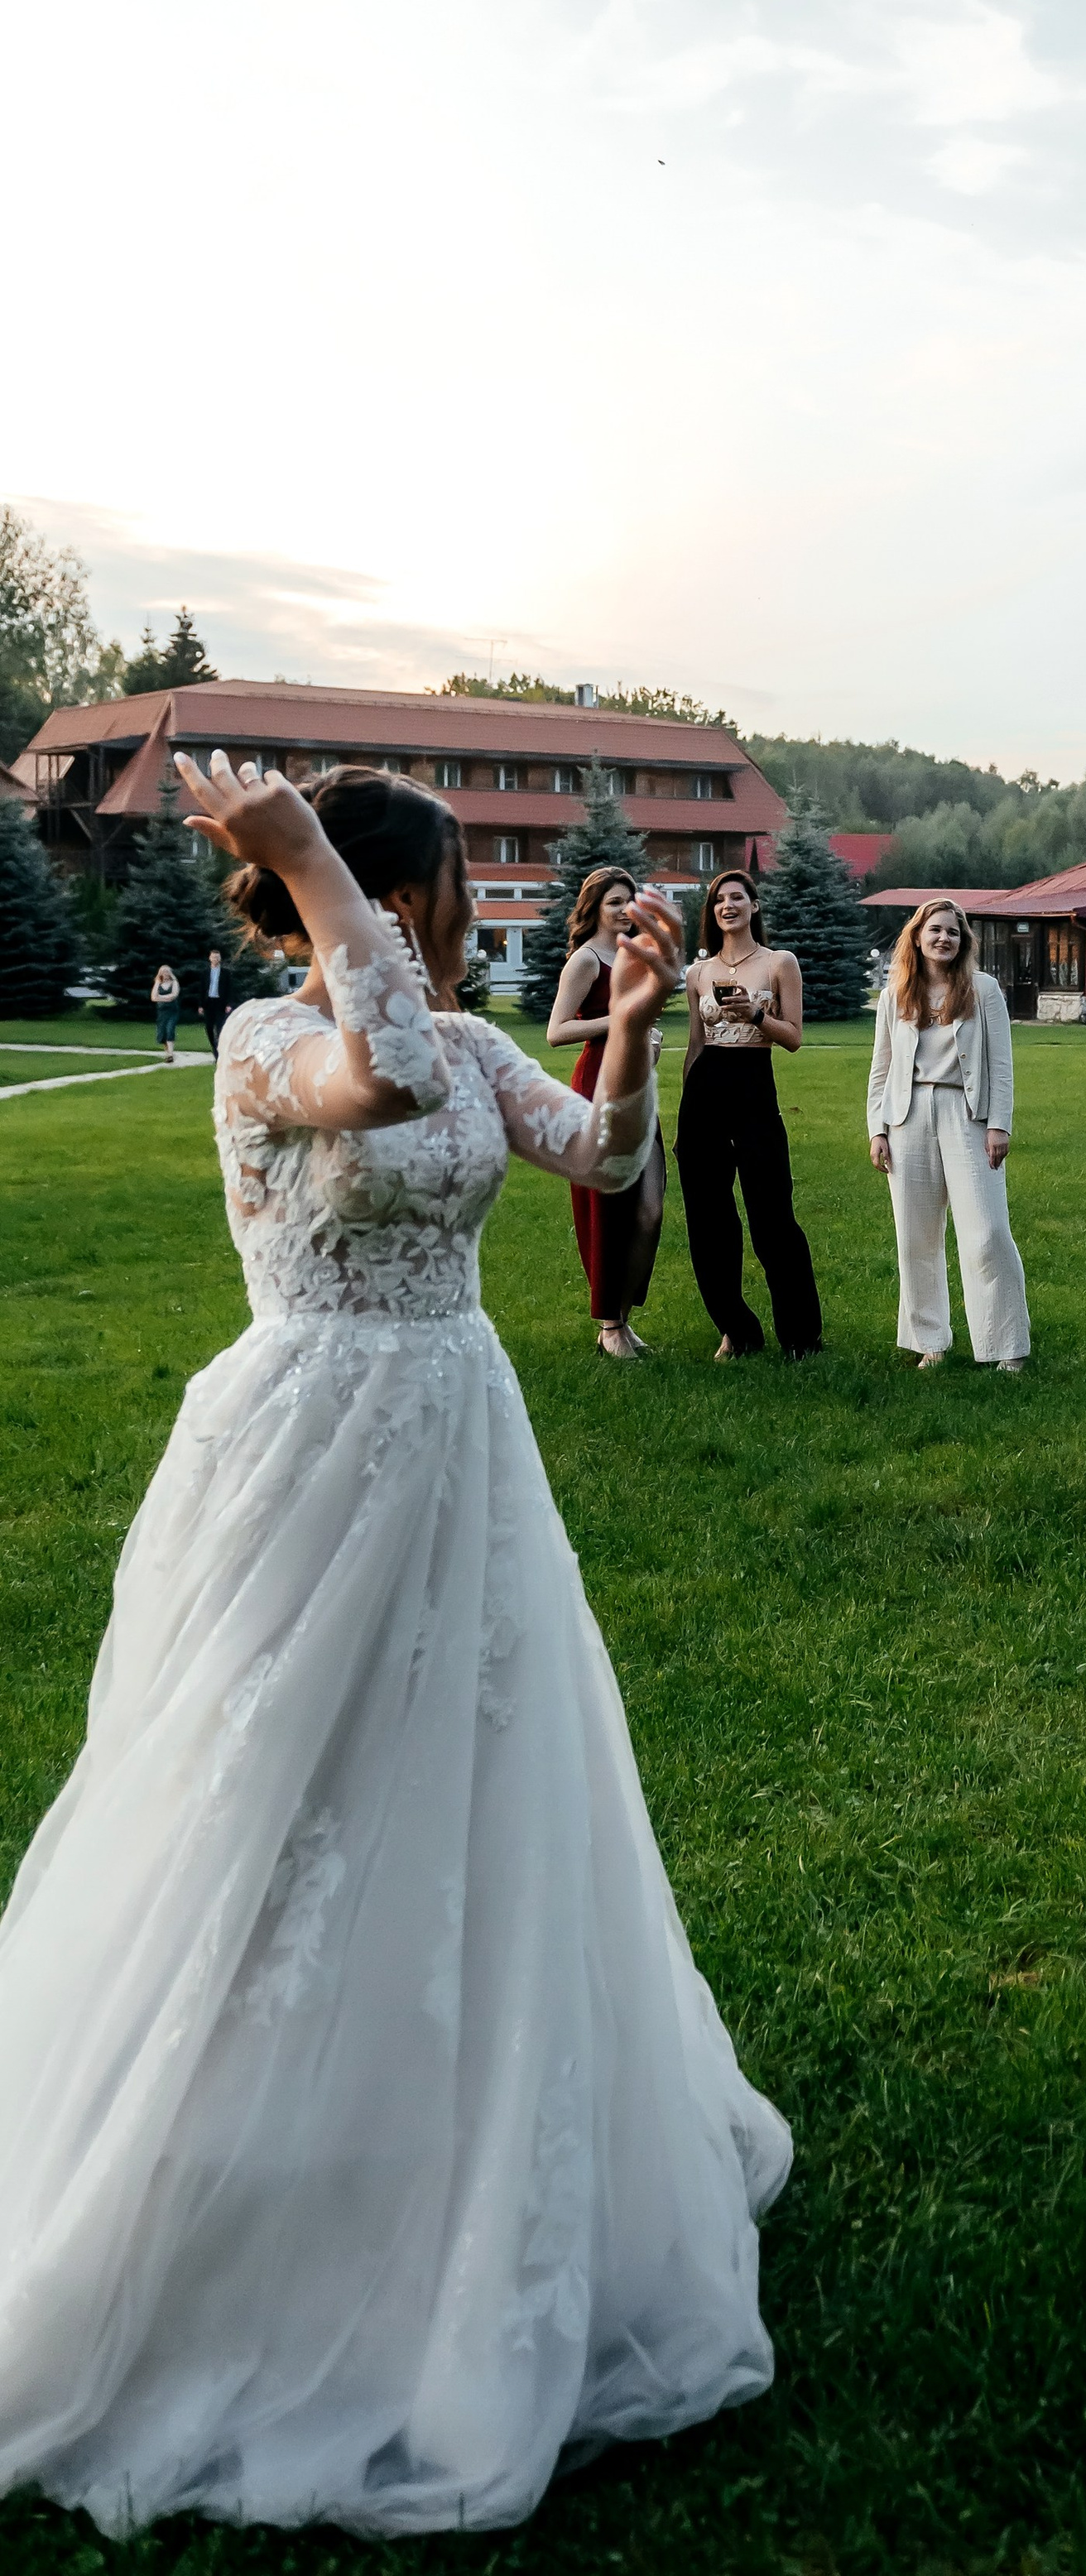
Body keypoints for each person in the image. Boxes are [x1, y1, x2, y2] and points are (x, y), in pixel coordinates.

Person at [0, 754, 787, 2539]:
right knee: (269, 1789)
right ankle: (225, 2170)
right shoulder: (270, 1045)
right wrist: (303, 861)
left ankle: (450, 2131)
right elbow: (398, 1075)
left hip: (457, 1440)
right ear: (375, 896)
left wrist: (639, 1027)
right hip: (304, 1442)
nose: (455, 923)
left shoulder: (451, 1026)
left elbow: (602, 1155)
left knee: (468, 1784)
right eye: (435, 892)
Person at [867, 900, 1030, 1370]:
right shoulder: (895, 994)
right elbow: (881, 1069)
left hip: (968, 1114)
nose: (944, 939)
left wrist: (999, 1124)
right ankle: (930, 1341)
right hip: (907, 1116)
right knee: (915, 1236)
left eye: (954, 933)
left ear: (963, 942)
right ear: (917, 937)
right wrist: (877, 1129)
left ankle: (1006, 1346)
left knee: (988, 1229)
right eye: (935, 931)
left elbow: (1001, 1064)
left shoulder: (983, 990)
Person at [675, 868, 822, 1362]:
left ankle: (801, 1337)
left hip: (754, 1086)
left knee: (772, 1215)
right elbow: (696, 1043)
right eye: (719, 899)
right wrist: (684, 1111)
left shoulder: (779, 963)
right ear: (712, 912)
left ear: (754, 907)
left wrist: (754, 1015)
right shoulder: (698, 973)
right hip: (705, 1090)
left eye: (738, 897)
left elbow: (796, 1039)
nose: (728, 905)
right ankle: (735, 1330)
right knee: (708, 1216)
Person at [548, 865, 669, 1358]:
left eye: (629, 901)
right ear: (595, 907)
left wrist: (643, 1036)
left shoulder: (633, 956)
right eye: (614, 901)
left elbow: (634, 1023)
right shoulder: (585, 960)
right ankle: (609, 1324)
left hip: (637, 1085)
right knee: (606, 1211)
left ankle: (621, 1316)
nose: (624, 910)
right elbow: (556, 1031)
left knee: (649, 1209)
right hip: (595, 1087)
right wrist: (618, 1023)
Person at [200, 946, 228, 1056]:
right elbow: (202, 989)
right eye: (213, 957)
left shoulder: (225, 973)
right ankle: (214, 1046)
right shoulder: (205, 973)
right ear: (210, 958)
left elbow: (229, 989)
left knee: (219, 1027)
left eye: (217, 957)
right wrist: (201, 1005)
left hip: (220, 1003)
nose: (215, 959)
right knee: (209, 1027)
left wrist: (228, 1004)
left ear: (220, 959)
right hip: (208, 1003)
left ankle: (219, 1050)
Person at [151, 961, 180, 1062]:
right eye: (163, 972)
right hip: (162, 1012)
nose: (166, 974)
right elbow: (153, 997)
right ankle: (168, 1053)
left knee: (170, 1030)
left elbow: (174, 995)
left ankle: (171, 1054)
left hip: (172, 1011)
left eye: (167, 972)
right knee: (162, 1033)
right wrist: (165, 998)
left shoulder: (174, 983)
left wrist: (161, 997)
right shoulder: (158, 983)